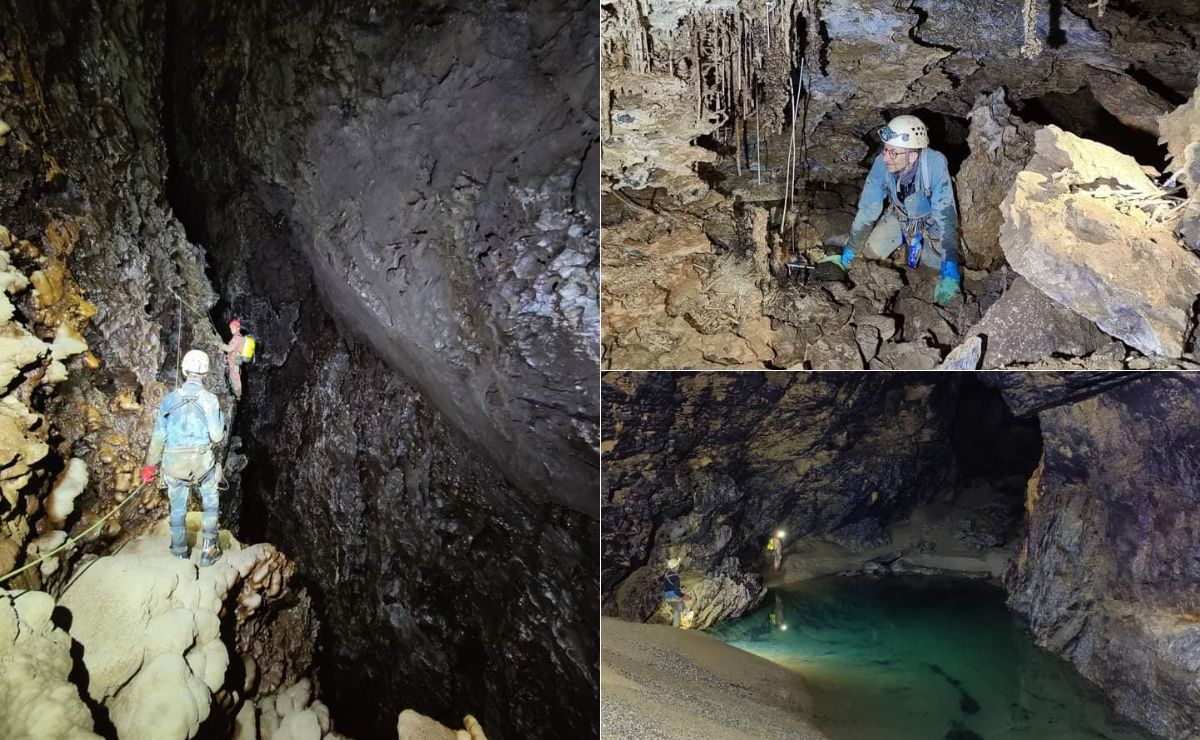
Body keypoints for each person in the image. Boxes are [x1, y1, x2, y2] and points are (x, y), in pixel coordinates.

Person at [819, 114, 961, 307]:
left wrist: (950, 271)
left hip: (930, 224)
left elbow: (945, 217)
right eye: (885, 149)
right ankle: (887, 245)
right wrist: (849, 255)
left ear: (913, 155)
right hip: (900, 217)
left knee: (932, 268)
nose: (886, 157)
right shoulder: (882, 164)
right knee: (867, 255)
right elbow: (868, 210)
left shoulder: (934, 164)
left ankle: (922, 256)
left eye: (893, 152)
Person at [141, 349, 226, 565]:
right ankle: (209, 550)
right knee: (210, 501)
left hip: (173, 465)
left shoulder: (169, 400)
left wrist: (150, 467)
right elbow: (216, 437)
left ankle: (179, 552)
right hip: (201, 464)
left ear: (184, 370)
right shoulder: (210, 400)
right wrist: (221, 422)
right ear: (205, 372)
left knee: (177, 508)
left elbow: (159, 436)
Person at [216, 318, 247, 399]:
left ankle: (238, 395)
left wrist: (219, 344)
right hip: (235, 360)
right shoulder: (240, 337)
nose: (231, 330)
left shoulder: (237, 338)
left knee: (235, 377)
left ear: (237, 328)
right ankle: (237, 394)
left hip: (234, 361)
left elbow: (229, 349)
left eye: (232, 328)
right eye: (231, 328)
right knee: (234, 376)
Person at [663, 558, 687, 628]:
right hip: (673, 595)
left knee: (678, 607)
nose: (678, 566)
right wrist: (683, 595)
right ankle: (675, 627)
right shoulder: (675, 576)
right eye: (678, 565)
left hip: (666, 595)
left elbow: (662, 580)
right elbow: (676, 591)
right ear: (675, 566)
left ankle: (683, 612)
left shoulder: (666, 574)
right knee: (677, 609)